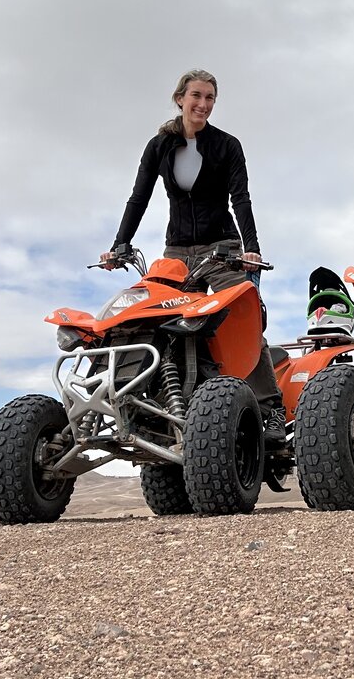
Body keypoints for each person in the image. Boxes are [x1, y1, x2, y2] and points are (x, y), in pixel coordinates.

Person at [101, 68, 287, 448]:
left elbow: (241, 198)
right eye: (196, 96)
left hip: (223, 248)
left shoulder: (227, 145)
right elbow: (139, 198)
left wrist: (251, 248)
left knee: (244, 321)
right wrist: (120, 244)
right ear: (180, 99)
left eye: (210, 98)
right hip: (177, 251)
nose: (203, 104)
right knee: (163, 322)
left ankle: (271, 410)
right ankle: (169, 410)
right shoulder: (159, 146)